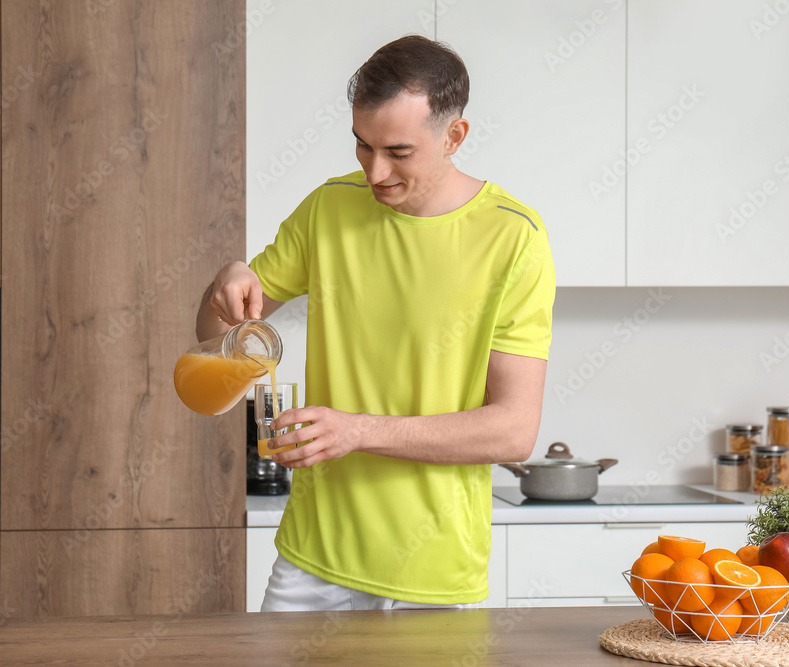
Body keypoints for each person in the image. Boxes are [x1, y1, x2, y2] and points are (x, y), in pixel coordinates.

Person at [196, 35, 555, 611]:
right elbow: (215, 342)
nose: (374, 172)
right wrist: (226, 281)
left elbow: (512, 431)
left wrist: (357, 431)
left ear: (454, 136)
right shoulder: (328, 210)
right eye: (362, 147)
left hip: (436, 573)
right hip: (314, 562)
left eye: (399, 152)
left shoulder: (514, 238)